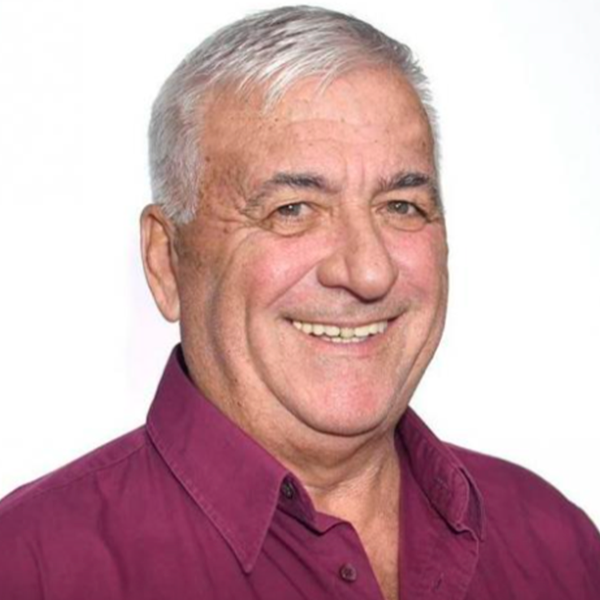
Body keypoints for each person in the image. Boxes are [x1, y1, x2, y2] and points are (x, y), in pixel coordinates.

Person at [0, 6, 598, 599]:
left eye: (401, 206)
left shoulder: (557, 544)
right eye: (292, 210)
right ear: (166, 261)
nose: (368, 272)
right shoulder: (32, 568)